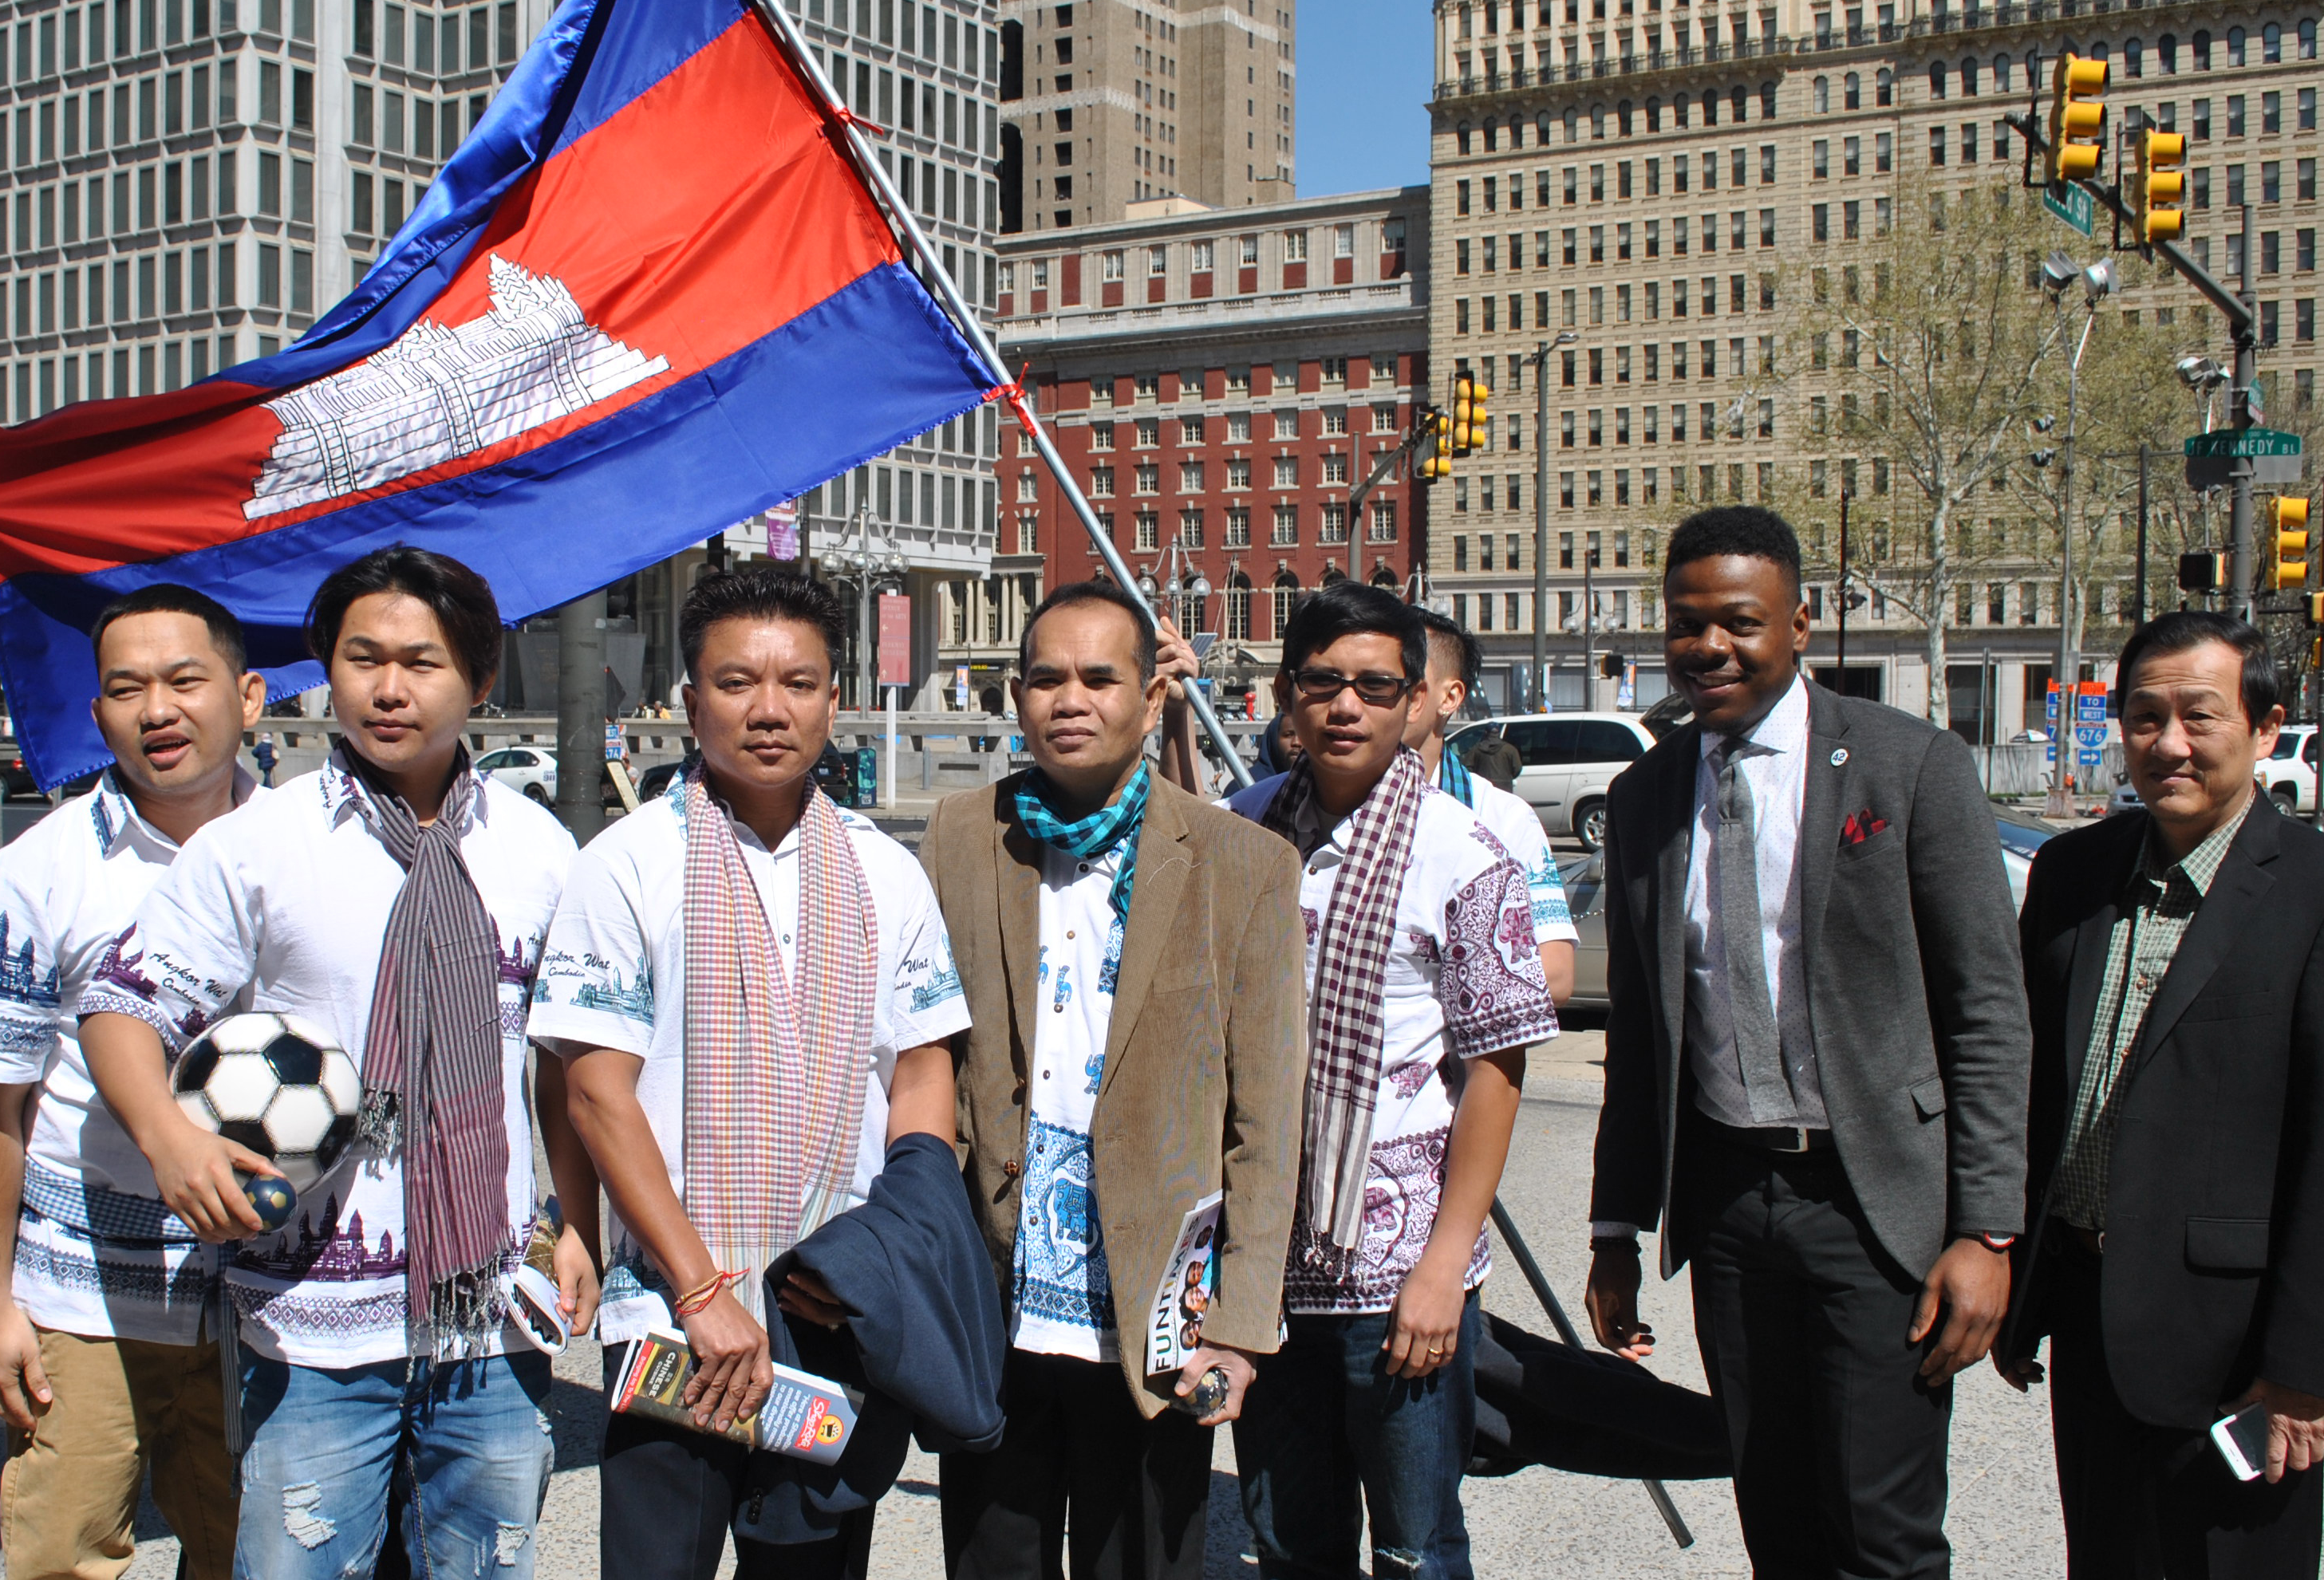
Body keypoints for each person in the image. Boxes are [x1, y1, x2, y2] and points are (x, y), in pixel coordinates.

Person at [80, 546, 600, 1580]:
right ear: (328, 668)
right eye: (364, 658)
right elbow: (120, 1005)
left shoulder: (540, 853)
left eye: (423, 660)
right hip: (310, 1324)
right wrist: (171, 1140)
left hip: (489, 1321)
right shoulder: (258, 845)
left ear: (481, 681)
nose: (391, 687)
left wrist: (579, 1219)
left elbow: (567, 1063)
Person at [1582, 506, 2030, 1579]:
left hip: (1877, 1202)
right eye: (1685, 626)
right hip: (1732, 1205)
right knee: (1774, 1515)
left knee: (1882, 1531)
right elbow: (1644, 1036)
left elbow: (1986, 1010)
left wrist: (1991, 1231)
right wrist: (1615, 1225)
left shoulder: (1908, 764)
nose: (1709, 649)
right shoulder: (1648, 796)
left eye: (1740, 622)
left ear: (1802, 624)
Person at [531, 565, 970, 1580]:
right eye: (735, 683)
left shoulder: (881, 868)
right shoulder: (629, 861)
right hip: (673, 1320)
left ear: (834, 696)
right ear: (688, 703)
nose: (768, 710)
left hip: (834, 1312)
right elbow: (596, 1091)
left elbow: (918, 1074)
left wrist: (880, 1257)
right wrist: (699, 1291)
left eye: (798, 683)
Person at [1995, 613, 2324, 1578]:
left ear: (2264, 730)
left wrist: (2308, 1371)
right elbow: (2032, 1090)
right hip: (2092, 1319)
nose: (2168, 744)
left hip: (2235, 1347)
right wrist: (2018, 1282)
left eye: (2198, 716)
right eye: (2143, 718)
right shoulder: (2071, 874)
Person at [919, 579, 1310, 1580]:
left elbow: (1267, 1118)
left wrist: (1239, 1326)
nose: (1070, 699)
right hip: (998, 1304)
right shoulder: (962, 837)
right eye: (1045, 678)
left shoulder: (1244, 863)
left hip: (1152, 1315)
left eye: (1101, 677)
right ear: (1014, 698)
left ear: (1151, 698)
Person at [1219, 582, 1559, 1580]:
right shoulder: (1245, 840)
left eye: (1375, 686)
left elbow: (1497, 1067)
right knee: (1286, 1542)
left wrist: (1444, 1265)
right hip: (1263, 1271)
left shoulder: (1464, 854)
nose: (1345, 707)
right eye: (1322, 682)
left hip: (1399, 1270)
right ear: (1287, 693)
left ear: (1416, 702)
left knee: (1414, 1546)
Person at [0, 585, 266, 1580]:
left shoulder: (308, 851)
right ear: (97, 716)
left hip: (266, 1295)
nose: (156, 710)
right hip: (82, 1303)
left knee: (253, 1557)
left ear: (248, 697)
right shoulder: (31, 876)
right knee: (59, 1559)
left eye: (184, 681)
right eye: (126, 690)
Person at [1407, 609, 1577, 1007]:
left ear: (1450, 698)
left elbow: (1555, 974)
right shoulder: (1291, 806)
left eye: (1403, 680)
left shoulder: (1503, 818)